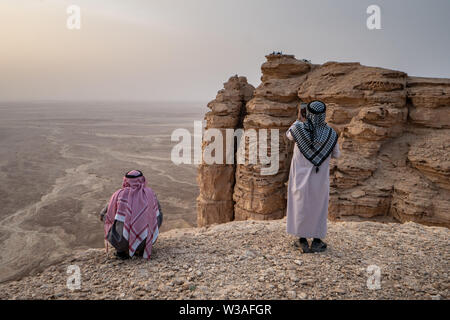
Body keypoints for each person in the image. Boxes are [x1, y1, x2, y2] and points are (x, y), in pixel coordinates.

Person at [286, 101, 340, 253]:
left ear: (307, 113)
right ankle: (316, 242)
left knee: (300, 206)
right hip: (320, 180)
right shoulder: (331, 133)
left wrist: (298, 119)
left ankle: (302, 241)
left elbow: (289, 135)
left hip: (299, 178)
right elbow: (336, 154)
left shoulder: (298, 129)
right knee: (318, 207)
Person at [100, 170, 163, 260]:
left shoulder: (119, 194)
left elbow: (103, 214)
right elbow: (158, 213)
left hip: (122, 243)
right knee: (158, 213)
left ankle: (121, 251)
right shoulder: (150, 194)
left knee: (108, 217)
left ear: (126, 181)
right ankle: (142, 247)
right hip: (145, 241)